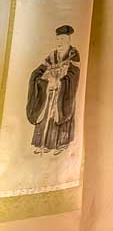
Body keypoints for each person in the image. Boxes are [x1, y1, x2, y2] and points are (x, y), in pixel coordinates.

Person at [27, 25, 81, 155]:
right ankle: (43, 144)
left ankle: (61, 144)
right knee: (45, 115)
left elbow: (74, 74)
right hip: (49, 92)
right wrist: (43, 80)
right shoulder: (52, 55)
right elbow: (38, 71)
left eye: (62, 39)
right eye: (58, 40)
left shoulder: (73, 54)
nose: (59, 43)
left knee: (60, 114)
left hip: (63, 93)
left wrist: (61, 82)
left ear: (68, 40)